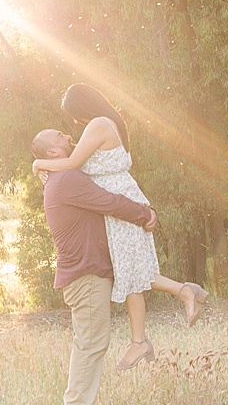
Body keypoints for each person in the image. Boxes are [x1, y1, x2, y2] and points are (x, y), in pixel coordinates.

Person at [32, 83, 208, 373]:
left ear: (83, 107)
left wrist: (39, 163)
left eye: (74, 116)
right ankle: (144, 335)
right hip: (118, 202)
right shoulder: (100, 124)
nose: (73, 125)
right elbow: (73, 162)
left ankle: (178, 299)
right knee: (129, 269)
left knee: (130, 270)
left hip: (120, 202)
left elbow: (74, 162)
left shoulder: (99, 124)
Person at [31, 126, 158, 405]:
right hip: (85, 275)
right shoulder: (67, 179)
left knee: (91, 342)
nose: (66, 135)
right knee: (90, 343)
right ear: (53, 152)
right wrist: (145, 213)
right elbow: (108, 202)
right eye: (59, 135)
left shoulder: (61, 175)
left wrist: (37, 166)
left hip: (85, 273)